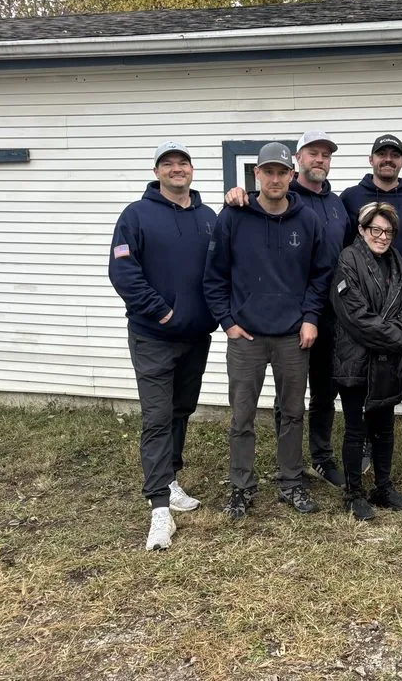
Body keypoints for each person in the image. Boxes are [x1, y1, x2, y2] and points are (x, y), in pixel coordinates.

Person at [203, 142, 335, 520]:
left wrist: (311, 317)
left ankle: (290, 481)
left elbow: (320, 274)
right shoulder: (233, 217)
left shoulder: (308, 220)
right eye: (268, 172)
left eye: (282, 172)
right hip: (247, 337)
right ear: (256, 174)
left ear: (292, 175)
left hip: (294, 336)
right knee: (242, 415)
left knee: (292, 411)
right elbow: (214, 276)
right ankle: (241, 487)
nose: (275, 179)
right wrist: (227, 322)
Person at [109, 140, 218, 551]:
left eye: (183, 162)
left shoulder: (208, 217)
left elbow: (219, 271)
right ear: (157, 172)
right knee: (156, 416)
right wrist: (162, 312)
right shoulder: (136, 216)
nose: (177, 169)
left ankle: (170, 479)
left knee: (180, 410)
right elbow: (123, 271)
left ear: (191, 169)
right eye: (168, 164)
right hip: (153, 335)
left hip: (196, 336)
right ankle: (159, 510)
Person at [224, 130, 349, 488]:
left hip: (321, 318)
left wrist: (315, 316)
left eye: (326, 154)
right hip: (268, 325)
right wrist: (228, 321)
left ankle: (312, 464)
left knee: (318, 394)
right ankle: (262, 477)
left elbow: (328, 266)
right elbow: (218, 270)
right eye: (313, 152)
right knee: (264, 407)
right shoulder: (252, 208)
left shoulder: (336, 205)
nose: (320, 159)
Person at [340, 135, 402, 467]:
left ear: (401, 162)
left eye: (395, 155)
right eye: (382, 154)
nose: (388, 159)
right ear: (371, 160)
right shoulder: (351, 197)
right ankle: (366, 441)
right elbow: (345, 246)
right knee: (370, 373)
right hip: (366, 304)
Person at [331, 202, 402, 520]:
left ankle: (382, 487)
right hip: (355, 359)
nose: (382, 237)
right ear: (362, 229)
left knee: (384, 426)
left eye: (388, 231)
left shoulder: (398, 262)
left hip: (387, 362)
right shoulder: (348, 260)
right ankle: (353, 494)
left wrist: (397, 331)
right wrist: (399, 338)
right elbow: (356, 316)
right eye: (376, 230)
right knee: (356, 429)